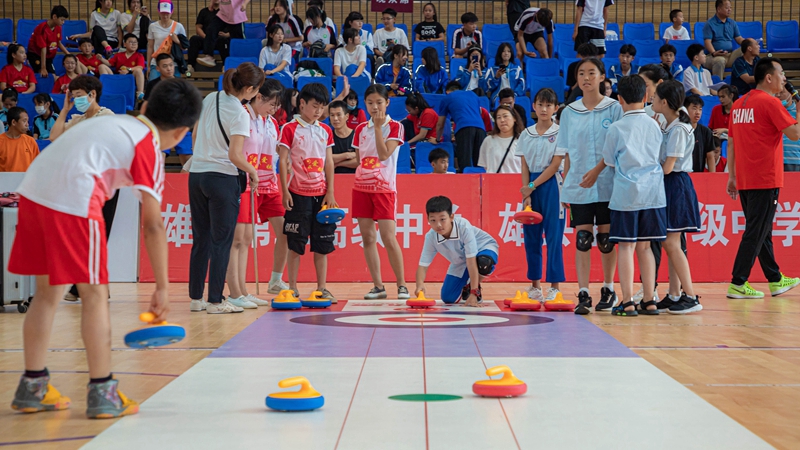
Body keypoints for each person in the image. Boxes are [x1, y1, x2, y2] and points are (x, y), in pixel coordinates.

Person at [8, 78, 201, 420]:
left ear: (144, 108)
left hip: (32, 193)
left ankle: (32, 386)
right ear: (183, 132)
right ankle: (102, 391)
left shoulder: (116, 122)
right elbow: (154, 224)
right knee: (95, 294)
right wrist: (162, 287)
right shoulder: (148, 147)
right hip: (74, 201)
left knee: (47, 294)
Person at [187, 62, 263, 314]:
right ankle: (216, 301)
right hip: (222, 179)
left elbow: (196, 133)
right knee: (221, 241)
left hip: (197, 175)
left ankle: (196, 299)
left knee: (201, 239)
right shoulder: (240, 113)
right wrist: (252, 171)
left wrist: (201, 156)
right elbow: (234, 155)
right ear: (250, 89)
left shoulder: (211, 98)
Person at [589, 75, 665, 316]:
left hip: (626, 195)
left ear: (619, 98)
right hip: (653, 193)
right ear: (646, 97)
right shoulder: (655, 124)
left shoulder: (616, 128)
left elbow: (610, 161)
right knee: (646, 248)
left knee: (625, 248)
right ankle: (650, 299)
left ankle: (628, 300)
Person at [726, 58, 800, 299]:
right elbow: (795, 134)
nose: (784, 79)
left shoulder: (739, 104)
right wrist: (798, 109)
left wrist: (732, 175)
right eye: (781, 74)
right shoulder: (769, 103)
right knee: (756, 231)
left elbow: (733, 141)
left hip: (746, 177)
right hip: (765, 177)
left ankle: (775, 279)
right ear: (768, 77)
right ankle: (738, 282)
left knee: (761, 230)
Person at [559, 58, 622, 315]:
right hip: (580, 186)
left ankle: (608, 289)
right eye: (581, 73)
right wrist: (566, 187)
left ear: (602, 76)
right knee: (583, 239)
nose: (586, 78)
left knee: (606, 240)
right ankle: (583, 291)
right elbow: (565, 153)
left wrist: (598, 172)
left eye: (591, 73)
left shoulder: (614, 108)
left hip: (609, 185)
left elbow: (617, 149)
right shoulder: (569, 112)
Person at [225, 79, 286, 308]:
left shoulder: (269, 122)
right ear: (258, 97)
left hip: (264, 182)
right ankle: (235, 291)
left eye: (278, 106)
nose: (275, 110)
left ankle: (244, 290)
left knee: (247, 238)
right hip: (242, 181)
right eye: (272, 104)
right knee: (238, 239)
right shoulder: (242, 115)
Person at [278, 82, 338, 301]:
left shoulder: (326, 130)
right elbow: (283, 161)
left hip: (321, 196)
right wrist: (284, 191)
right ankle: (292, 287)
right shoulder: (289, 129)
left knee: (322, 244)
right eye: (315, 106)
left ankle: (322, 288)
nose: (319, 111)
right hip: (297, 194)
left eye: (322, 107)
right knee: (296, 244)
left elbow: (329, 162)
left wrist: (330, 191)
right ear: (301, 104)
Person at [352, 84, 410, 300]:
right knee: (368, 237)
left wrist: (377, 128)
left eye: (379, 102)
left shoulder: (395, 127)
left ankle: (402, 285)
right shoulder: (359, 129)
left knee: (388, 237)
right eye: (370, 103)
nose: (374, 107)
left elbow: (384, 155)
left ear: (387, 103)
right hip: (361, 187)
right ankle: (378, 286)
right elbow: (359, 160)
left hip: (385, 189)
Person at [651, 80, 702, 314]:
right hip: (668, 184)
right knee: (669, 242)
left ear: (664, 102)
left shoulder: (679, 129)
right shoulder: (669, 125)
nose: (651, 100)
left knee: (672, 242)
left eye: (655, 97)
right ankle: (673, 294)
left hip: (675, 184)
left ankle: (690, 295)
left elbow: (668, 167)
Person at [517, 87, 565, 302]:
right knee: (532, 238)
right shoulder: (525, 134)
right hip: (531, 186)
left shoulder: (561, 133)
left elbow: (555, 165)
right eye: (540, 104)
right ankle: (535, 285)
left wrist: (533, 185)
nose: (544, 109)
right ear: (534, 106)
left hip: (552, 185)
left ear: (555, 108)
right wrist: (526, 192)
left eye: (548, 105)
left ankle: (554, 286)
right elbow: (524, 164)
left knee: (554, 236)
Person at [415, 195, 499, 306]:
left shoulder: (464, 227)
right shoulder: (431, 237)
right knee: (448, 298)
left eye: (442, 219)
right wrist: (419, 285)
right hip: (461, 261)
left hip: (483, 249)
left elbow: (471, 261)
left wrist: (474, 292)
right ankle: (466, 287)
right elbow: (423, 265)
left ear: (451, 217)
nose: (438, 224)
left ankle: (473, 287)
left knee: (484, 263)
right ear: (428, 220)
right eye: (433, 220)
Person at [436, 81, 486, 171]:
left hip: (464, 128)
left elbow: (440, 124)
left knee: (465, 162)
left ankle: (466, 184)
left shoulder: (447, 98)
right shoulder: (473, 95)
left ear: (447, 91)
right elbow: (478, 113)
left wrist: (437, 139)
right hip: (481, 128)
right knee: (480, 162)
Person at [50, 76, 115, 142]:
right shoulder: (77, 120)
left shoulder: (107, 116)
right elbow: (54, 137)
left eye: (79, 96)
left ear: (92, 94)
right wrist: (65, 109)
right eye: (74, 97)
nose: (76, 100)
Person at [196, 0, 250, 68]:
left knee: (238, 40)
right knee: (211, 29)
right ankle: (209, 57)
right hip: (223, 14)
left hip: (236, 16)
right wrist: (212, 3)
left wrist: (244, 4)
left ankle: (241, 61)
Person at [703, 0, 744, 79]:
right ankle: (717, 87)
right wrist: (714, 53)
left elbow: (738, 38)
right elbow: (707, 42)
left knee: (748, 49)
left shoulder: (732, 23)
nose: (730, 10)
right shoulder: (710, 23)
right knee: (720, 60)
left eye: (730, 8)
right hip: (713, 57)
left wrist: (748, 43)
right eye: (727, 8)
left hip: (729, 55)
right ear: (719, 9)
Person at [26, 6, 71, 79]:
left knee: (53, 76)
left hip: (48, 57)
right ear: (54, 16)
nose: (63, 22)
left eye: (64, 20)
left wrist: (69, 55)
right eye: (62, 20)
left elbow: (58, 43)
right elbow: (43, 49)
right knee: (45, 75)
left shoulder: (58, 27)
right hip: (36, 55)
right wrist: (43, 68)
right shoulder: (42, 28)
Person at [146, 1, 186, 81]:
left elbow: (185, 48)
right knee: (153, 87)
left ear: (171, 12)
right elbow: (150, 46)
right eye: (163, 13)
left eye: (167, 13)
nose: (165, 16)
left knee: (175, 88)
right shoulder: (152, 26)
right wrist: (148, 65)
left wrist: (177, 41)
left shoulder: (178, 26)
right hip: (156, 62)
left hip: (173, 64)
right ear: (159, 12)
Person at [478, 105, 523, 173]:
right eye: (498, 117)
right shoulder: (488, 141)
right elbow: (485, 166)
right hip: (493, 182)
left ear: (514, 118)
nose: (502, 120)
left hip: (516, 182)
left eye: (505, 116)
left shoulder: (523, 141)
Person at [188, 0, 229, 73]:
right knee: (194, 39)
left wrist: (226, 34)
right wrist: (207, 37)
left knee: (223, 40)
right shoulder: (204, 12)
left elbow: (234, 29)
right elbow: (198, 27)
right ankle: (190, 66)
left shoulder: (226, 12)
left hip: (220, 40)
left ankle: (225, 66)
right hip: (206, 39)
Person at [685, 94, 717, 173]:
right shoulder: (679, 129)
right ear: (685, 109)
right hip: (682, 174)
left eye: (700, 109)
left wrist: (713, 177)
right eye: (694, 108)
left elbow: (710, 157)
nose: (698, 112)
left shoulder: (706, 132)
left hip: (698, 174)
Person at [0, 107, 39, 172]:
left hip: (26, 181)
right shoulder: (1, 141)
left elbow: (37, 164)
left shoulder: (31, 141)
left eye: (27, 121)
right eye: (24, 121)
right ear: (14, 122)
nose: (27, 124)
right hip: (5, 181)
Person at [109, 33, 147, 100]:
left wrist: (128, 69)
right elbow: (109, 63)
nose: (133, 44)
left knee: (138, 70)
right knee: (102, 66)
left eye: (135, 42)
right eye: (131, 42)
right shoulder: (118, 55)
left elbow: (140, 67)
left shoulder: (139, 56)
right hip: (119, 76)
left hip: (131, 76)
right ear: (124, 44)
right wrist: (101, 59)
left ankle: (140, 93)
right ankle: (108, 88)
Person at [328, 100, 358, 174]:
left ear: (347, 116)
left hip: (353, 178)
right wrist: (346, 155)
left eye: (338, 115)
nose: (335, 118)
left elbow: (359, 161)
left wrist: (338, 163)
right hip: (334, 179)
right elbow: (326, 159)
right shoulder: (327, 136)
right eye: (332, 115)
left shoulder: (356, 135)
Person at [779, 83, 800, 172]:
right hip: (775, 160)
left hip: (794, 160)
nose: (778, 95)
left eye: (782, 92)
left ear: (791, 94)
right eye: (776, 93)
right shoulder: (771, 111)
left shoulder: (798, 111)